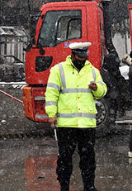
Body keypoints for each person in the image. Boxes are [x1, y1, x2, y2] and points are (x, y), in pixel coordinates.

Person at [45, 41, 107, 191]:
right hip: (67, 124)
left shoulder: (92, 71)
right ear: (72, 55)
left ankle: (89, 186)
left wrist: (96, 88)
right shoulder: (58, 70)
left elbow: (103, 90)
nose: (82, 60)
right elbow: (51, 93)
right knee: (65, 159)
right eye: (79, 57)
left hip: (86, 124)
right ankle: (64, 186)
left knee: (88, 159)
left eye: (84, 57)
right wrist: (51, 114)